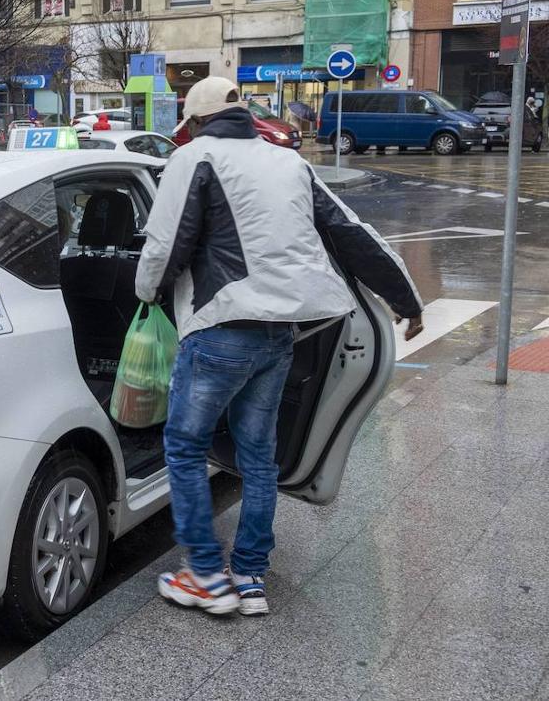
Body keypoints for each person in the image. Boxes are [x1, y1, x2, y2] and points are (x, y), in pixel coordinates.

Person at [134, 76, 425, 617]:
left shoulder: (194, 157)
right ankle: (248, 576)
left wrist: (147, 293)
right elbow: (350, 231)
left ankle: (205, 576)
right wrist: (405, 299)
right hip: (280, 336)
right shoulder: (289, 162)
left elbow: (164, 244)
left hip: (222, 326)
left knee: (184, 447)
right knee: (259, 457)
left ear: (193, 122)